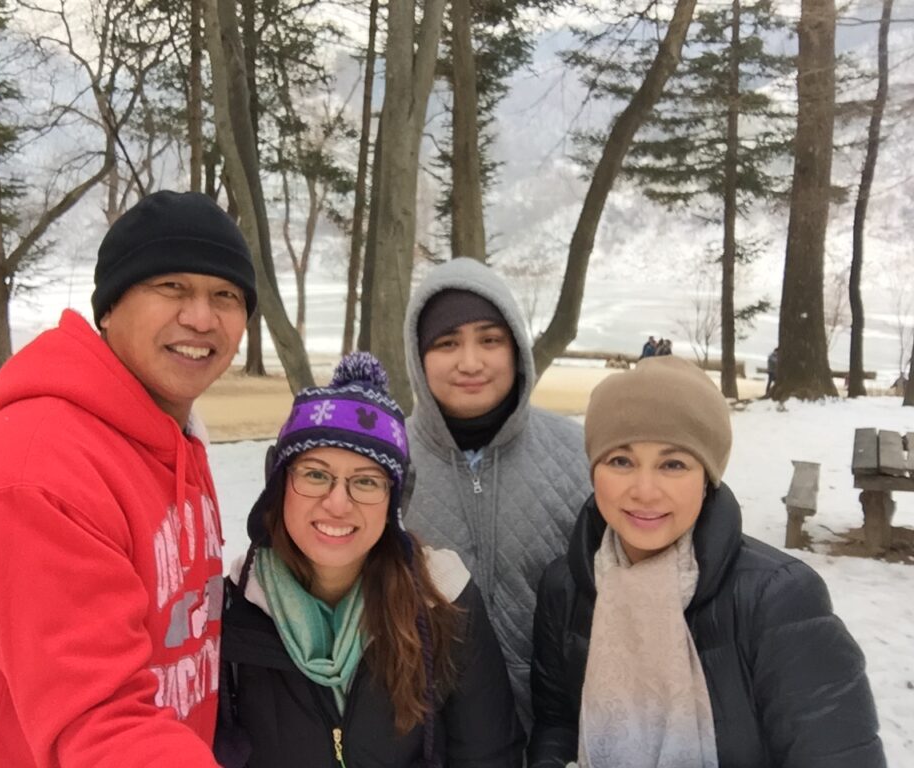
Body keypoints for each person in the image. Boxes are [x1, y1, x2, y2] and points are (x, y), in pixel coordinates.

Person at [0, 191, 257, 767]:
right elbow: (103, 722)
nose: (201, 317)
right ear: (110, 306)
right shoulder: (35, 475)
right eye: (171, 288)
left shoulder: (171, 439)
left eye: (226, 295)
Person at [529, 356, 886, 767]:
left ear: (707, 478)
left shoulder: (779, 600)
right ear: (594, 471)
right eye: (621, 461)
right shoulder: (567, 586)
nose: (644, 490)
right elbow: (557, 725)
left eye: (673, 464)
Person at [214, 352, 524, 768]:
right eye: (315, 474)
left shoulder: (444, 603)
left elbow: (488, 757)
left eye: (365, 481)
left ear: (395, 501)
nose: (337, 503)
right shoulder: (230, 609)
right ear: (278, 484)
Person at [401, 257, 591, 728]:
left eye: (489, 340)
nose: (470, 362)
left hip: (560, 730)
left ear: (515, 349)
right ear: (418, 356)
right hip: (424, 731)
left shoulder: (578, 455)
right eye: (447, 343)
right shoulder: (385, 460)